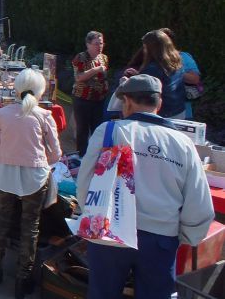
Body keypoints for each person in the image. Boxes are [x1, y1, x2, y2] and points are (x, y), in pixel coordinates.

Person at [76, 75, 213, 299]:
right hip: (160, 239)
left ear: (127, 102)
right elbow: (199, 203)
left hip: (109, 232)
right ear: (159, 104)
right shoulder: (183, 143)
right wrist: (185, 237)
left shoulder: (109, 131)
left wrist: (91, 214)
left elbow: (85, 185)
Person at [0, 69, 61, 298]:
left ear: (16, 88)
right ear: (40, 91)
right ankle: (22, 279)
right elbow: (56, 153)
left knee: (3, 221)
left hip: (6, 174)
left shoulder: (2, 113)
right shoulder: (44, 115)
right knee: (31, 226)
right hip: (35, 177)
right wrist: (40, 162)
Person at [124, 30, 186, 119]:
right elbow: (164, 81)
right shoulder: (177, 61)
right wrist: (140, 75)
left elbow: (145, 91)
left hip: (162, 114)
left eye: (145, 48)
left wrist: (130, 81)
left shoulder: (152, 68)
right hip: (179, 110)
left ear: (151, 49)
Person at [71, 31, 109, 155]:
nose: (100, 46)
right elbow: (79, 77)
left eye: (101, 43)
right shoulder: (81, 57)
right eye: (96, 44)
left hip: (99, 100)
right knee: (82, 130)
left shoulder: (104, 58)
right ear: (88, 44)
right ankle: (81, 156)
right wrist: (96, 69)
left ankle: (95, 155)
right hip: (82, 99)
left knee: (97, 129)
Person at [160, 28, 202, 120]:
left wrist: (173, 71)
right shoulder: (151, 60)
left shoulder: (183, 57)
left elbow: (195, 79)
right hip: (159, 112)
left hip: (183, 112)